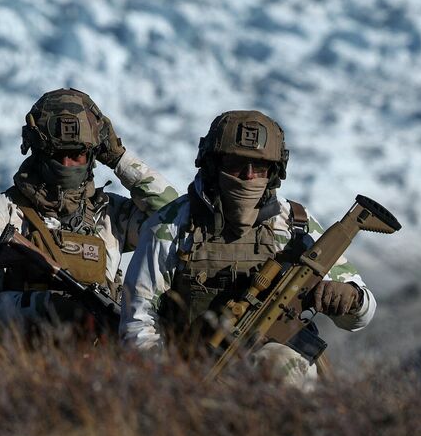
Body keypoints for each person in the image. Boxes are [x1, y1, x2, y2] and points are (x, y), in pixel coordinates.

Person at [120, 111, 376, 388]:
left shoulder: (293, 225)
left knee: (281, 363)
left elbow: (361, 315)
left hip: (276, 374)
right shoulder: (172, 226)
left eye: (260, 167)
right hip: (193, 372)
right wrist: (167, 383)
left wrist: (351, 297)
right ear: (212, 165)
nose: (248, 176)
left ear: (275, 172)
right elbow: (139, 321)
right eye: (235, 165)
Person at [0, 88, 179, 336]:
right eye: (57, 154)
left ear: (94, 154)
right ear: (38, 151)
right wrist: (43, 307)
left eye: (77, 154)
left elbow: (172, 215)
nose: (67, 164)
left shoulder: (111, 215)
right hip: (23, 362)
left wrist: (119, 158)